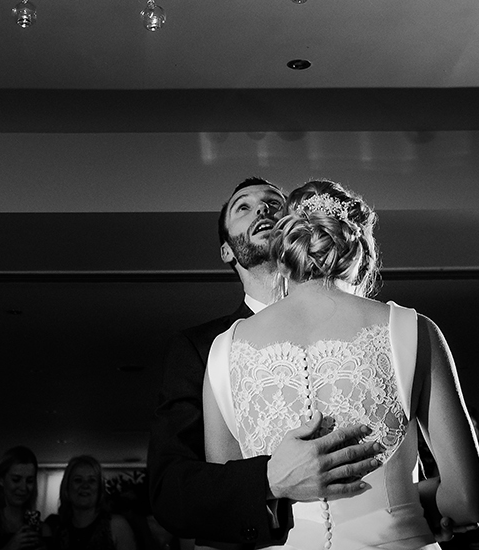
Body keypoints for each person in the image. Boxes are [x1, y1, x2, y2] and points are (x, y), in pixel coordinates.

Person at [200, 179, 479, 550]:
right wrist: (403, 501)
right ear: (361, 253)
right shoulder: (412, 330)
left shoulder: (224, 350)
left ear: (286, 248)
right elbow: (468, 502)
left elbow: (228, 507)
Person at [148, 177, 388, 548]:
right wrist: (270, 480)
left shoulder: (373, 329)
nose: (262, 209)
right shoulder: (201, 348)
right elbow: (170, 492)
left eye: (274, 203)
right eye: (243, 207)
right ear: (227, 251)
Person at [47, 456, 136, 550]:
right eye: (78, 480)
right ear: (67, 487)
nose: (85, 485)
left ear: (99, 488)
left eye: (91, 480)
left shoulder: (116, 526)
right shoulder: (59, 531)